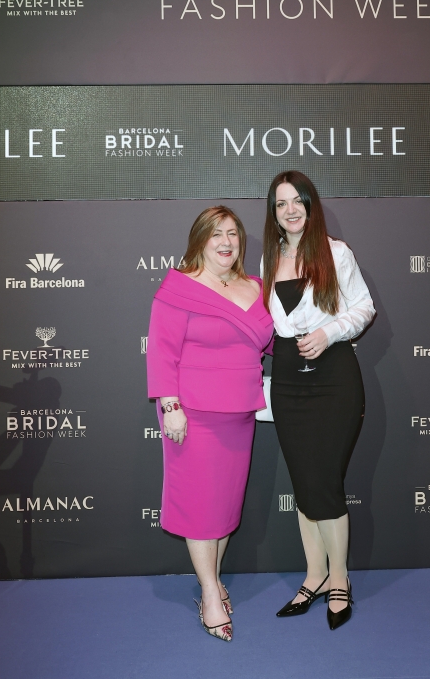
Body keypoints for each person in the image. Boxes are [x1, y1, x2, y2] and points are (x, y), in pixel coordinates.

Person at [147, 206, 273, 642]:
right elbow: (161, 351)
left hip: (239, 413)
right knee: (201, 506)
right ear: (200, 239)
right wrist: (170, 406)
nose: (226, 242)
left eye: (233, 234)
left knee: (223, 505)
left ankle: (214, 580)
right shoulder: (179, 288)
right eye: (216, 233)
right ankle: (209, 593)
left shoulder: (256, 287)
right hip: (193, 414)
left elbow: (275, 340)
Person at [262, 171, 375, 631]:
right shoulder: (270, 257)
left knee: (324, 480)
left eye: (297, 201)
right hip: (288, 381)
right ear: (273, 213)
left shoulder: (336, 252)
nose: (290, 210)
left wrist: (329, 332)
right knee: (304, 482)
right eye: (281, 203)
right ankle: (314, 576)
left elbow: (364, 307)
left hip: (334, 378)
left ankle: (339, 578)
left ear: (310, 205)